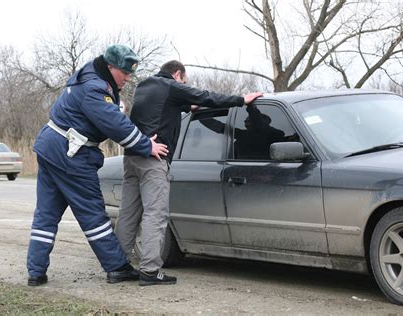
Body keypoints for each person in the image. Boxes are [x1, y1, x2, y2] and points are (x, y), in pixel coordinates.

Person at [26, 45, 168, 286]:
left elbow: (104, 115)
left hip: (51, 147)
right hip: (70, 154)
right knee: (93, 215)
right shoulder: (95, 88)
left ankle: (35, 272)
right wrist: (146, 146)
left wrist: (115, 107)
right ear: (110, 67)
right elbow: (115, 125)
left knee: (46, 215)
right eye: (124, 72)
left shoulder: (87, 76)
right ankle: (117, 267)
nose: (127, 77)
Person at [114, 60, 262, 286]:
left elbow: (163, 109)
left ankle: (118, 268)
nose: (185, 84)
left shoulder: (144, 86)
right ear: (178, 74)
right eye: (185, 81)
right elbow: (205, 96)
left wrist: (185, 106)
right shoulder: (171, 85)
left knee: (128, 213)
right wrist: (241, 100)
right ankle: (150, 271)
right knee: (155, 214)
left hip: (132, 157)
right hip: (155, 158)